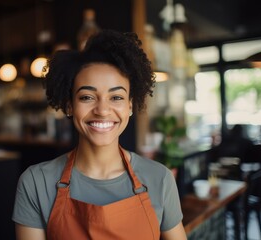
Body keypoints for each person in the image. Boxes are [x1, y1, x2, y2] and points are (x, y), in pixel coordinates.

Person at [12, 29, 187, 240]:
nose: (102, 110)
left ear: (130, 106)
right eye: (87, 97)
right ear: (69, 106)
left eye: (116, 97)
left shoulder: (160, 179)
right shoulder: (36, 183)